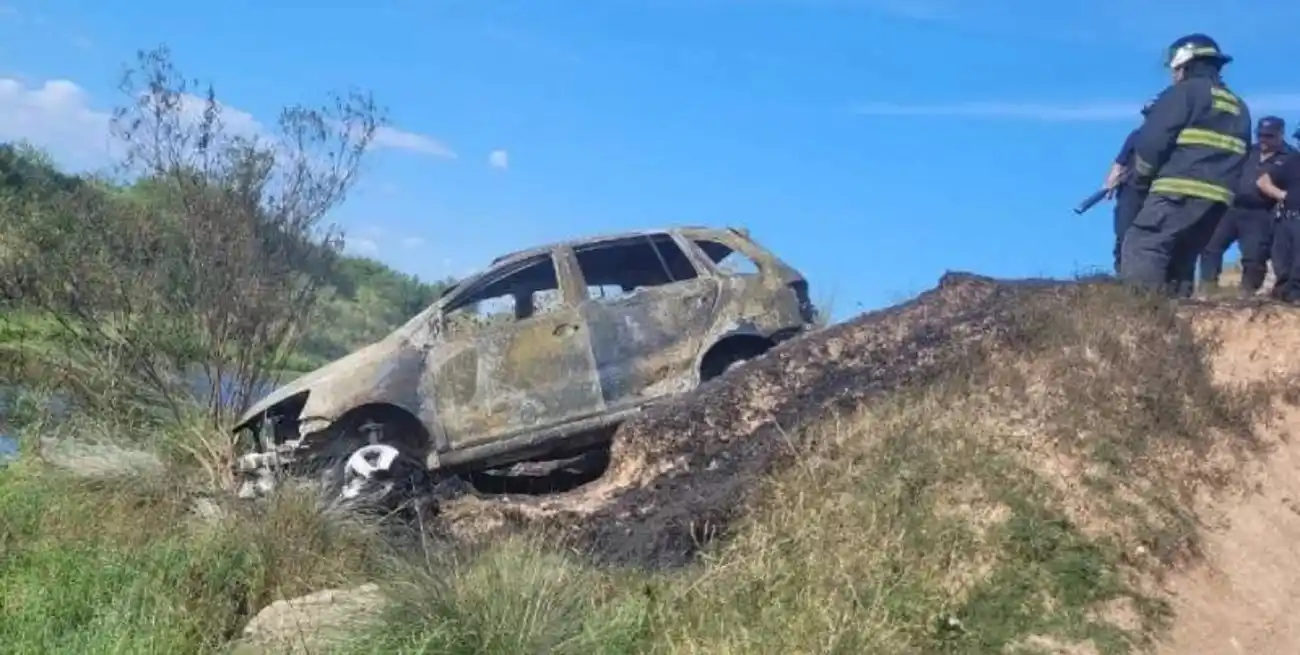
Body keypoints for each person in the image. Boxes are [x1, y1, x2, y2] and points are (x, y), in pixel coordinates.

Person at [1119, 34, 1252, 298]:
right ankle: (1174, 324)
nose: (1173, 74)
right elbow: (1244, 154)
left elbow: (1152, 142)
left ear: (1186, 63)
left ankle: (1142, 320)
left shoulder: (1185, 93)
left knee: (1143, 245)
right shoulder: (1239, 106)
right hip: (1216, 202)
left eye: (1175, 68)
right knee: (1181, 258)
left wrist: (1140, 181)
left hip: (1177, 191)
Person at [1198, 116, 1291, 296]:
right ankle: (1207, 290)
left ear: (1280, 134)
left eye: (1269, 136)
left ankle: (1246, 294)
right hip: (1231, 208)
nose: (1263, 140)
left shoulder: (1290, 157)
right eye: (1261, 135)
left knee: (1254, 256)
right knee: (1211, 246)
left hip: (1261, 213)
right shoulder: (1248, 151)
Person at [1105, 101, 1154, 274]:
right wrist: (1110, 183)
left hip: (1154, 194)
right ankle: (1122, 274)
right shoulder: (1137, 136)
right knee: (1123, 233)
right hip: (1130, 192)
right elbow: (1120, 162)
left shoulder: (1168, 141)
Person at [1258, 142, 1300, 302]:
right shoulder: (1293, 161)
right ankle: (1282, 297)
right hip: (1288, 218)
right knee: (1282, 262)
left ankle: (1295, 298)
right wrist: (1282, 195)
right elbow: (1263, 181)